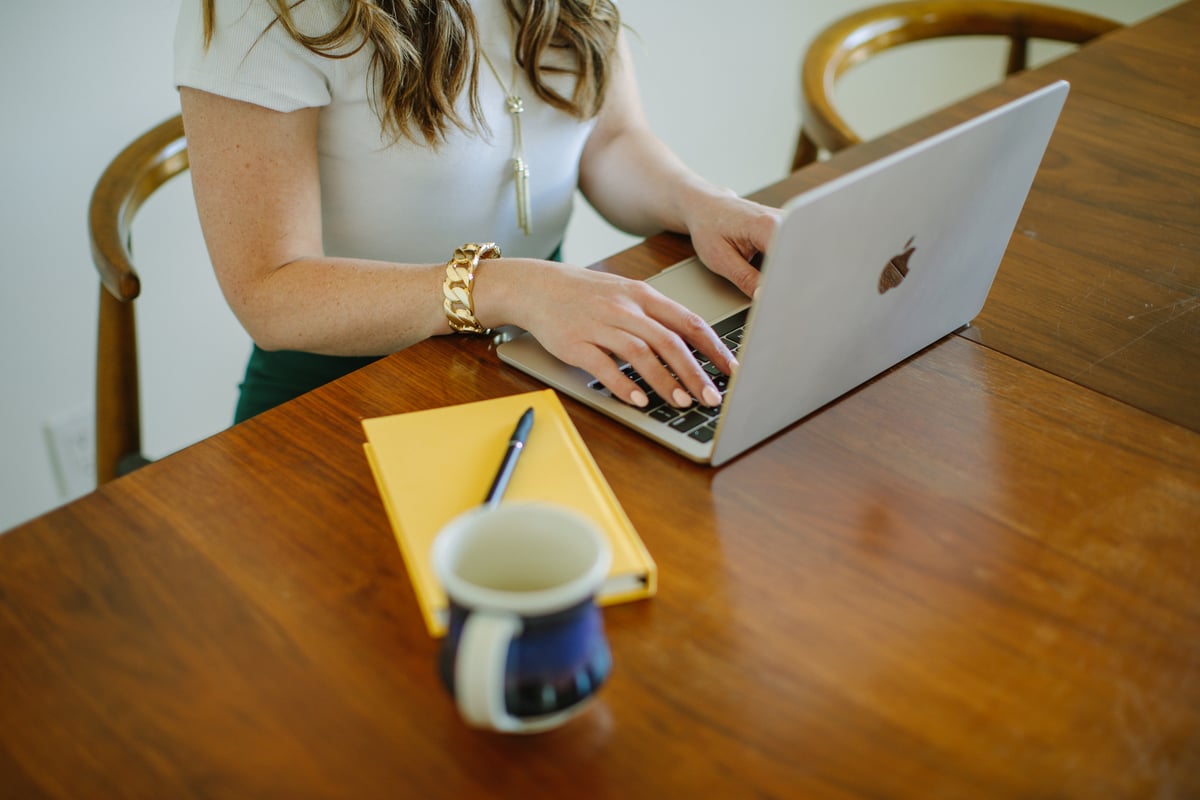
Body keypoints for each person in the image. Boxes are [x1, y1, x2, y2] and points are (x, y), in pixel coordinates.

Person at [175, 0, 779, 423]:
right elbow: (269, 294)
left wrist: (699, 200)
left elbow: (608, 140)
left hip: (543, 343)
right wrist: (508, 286)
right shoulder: (258, 10)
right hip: (344, 383)